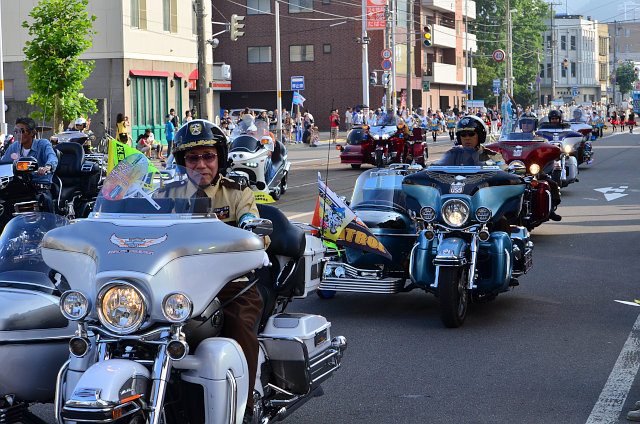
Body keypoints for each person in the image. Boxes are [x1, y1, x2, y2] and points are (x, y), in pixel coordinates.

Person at [159, 120, 264, 421]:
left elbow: (255, 229)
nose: (201, 165)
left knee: (241, 325)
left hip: (229, 284)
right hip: (176, 284)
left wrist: (249, 230)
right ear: (182, 162)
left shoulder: (237, 194)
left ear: (220, 158)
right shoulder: (168, 195)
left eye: (208, 156)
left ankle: (244, 407)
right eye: (193, 158)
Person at [2, 117, 58, 213]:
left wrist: (47, 167)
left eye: (22, 131)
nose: (18, 134)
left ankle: (50, 225)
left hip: (40, 188)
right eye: (16, 131)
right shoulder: (14, 147)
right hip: (19, 188)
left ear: (32, 133)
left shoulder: (43, 144)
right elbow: (3, 164)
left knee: (45, 201)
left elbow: (52, 157)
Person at [518, 111, 562, 221]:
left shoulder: (541, 140)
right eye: (524, 123)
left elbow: (548, 152)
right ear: (520, 125)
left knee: (551, 184)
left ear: (534, 125)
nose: (526, 125)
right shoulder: (513, 138)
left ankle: (550, 209)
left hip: (534, 170)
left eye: (529, 123)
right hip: (516, 170)